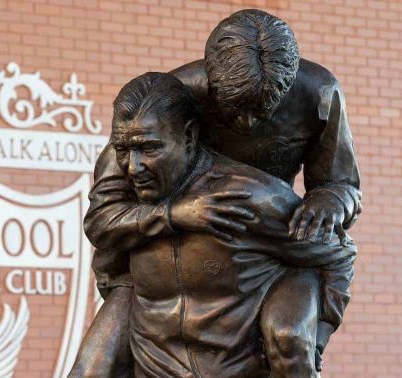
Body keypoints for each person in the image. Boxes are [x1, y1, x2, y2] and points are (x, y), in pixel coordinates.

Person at [82, 9, 360, 373]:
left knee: (289, 339)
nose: (247, 125)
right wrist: (175, 215)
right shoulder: (167, 105)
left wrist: (332, 200)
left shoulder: (319, 95)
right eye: (235, 110)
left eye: (262, 112)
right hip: (180, 239)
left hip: (268, 229)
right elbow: (106, 208)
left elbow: (342, 186)